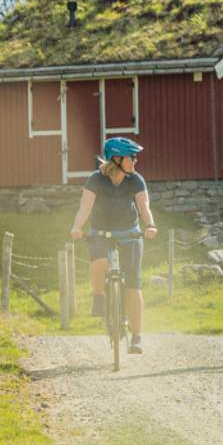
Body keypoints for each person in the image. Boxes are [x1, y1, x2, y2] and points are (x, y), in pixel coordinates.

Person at [68, 136, 158, 354]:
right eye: (131, 157)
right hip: (101, 232)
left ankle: (136, 337)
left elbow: (143, 206)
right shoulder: (96, 179)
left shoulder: (135, 179)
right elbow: (85, 206)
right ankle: (99, 296)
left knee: (133, 285)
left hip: (130, 233)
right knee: (99, 261)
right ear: (116, 159)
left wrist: (150, 225)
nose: (135, 161)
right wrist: (76, 227)